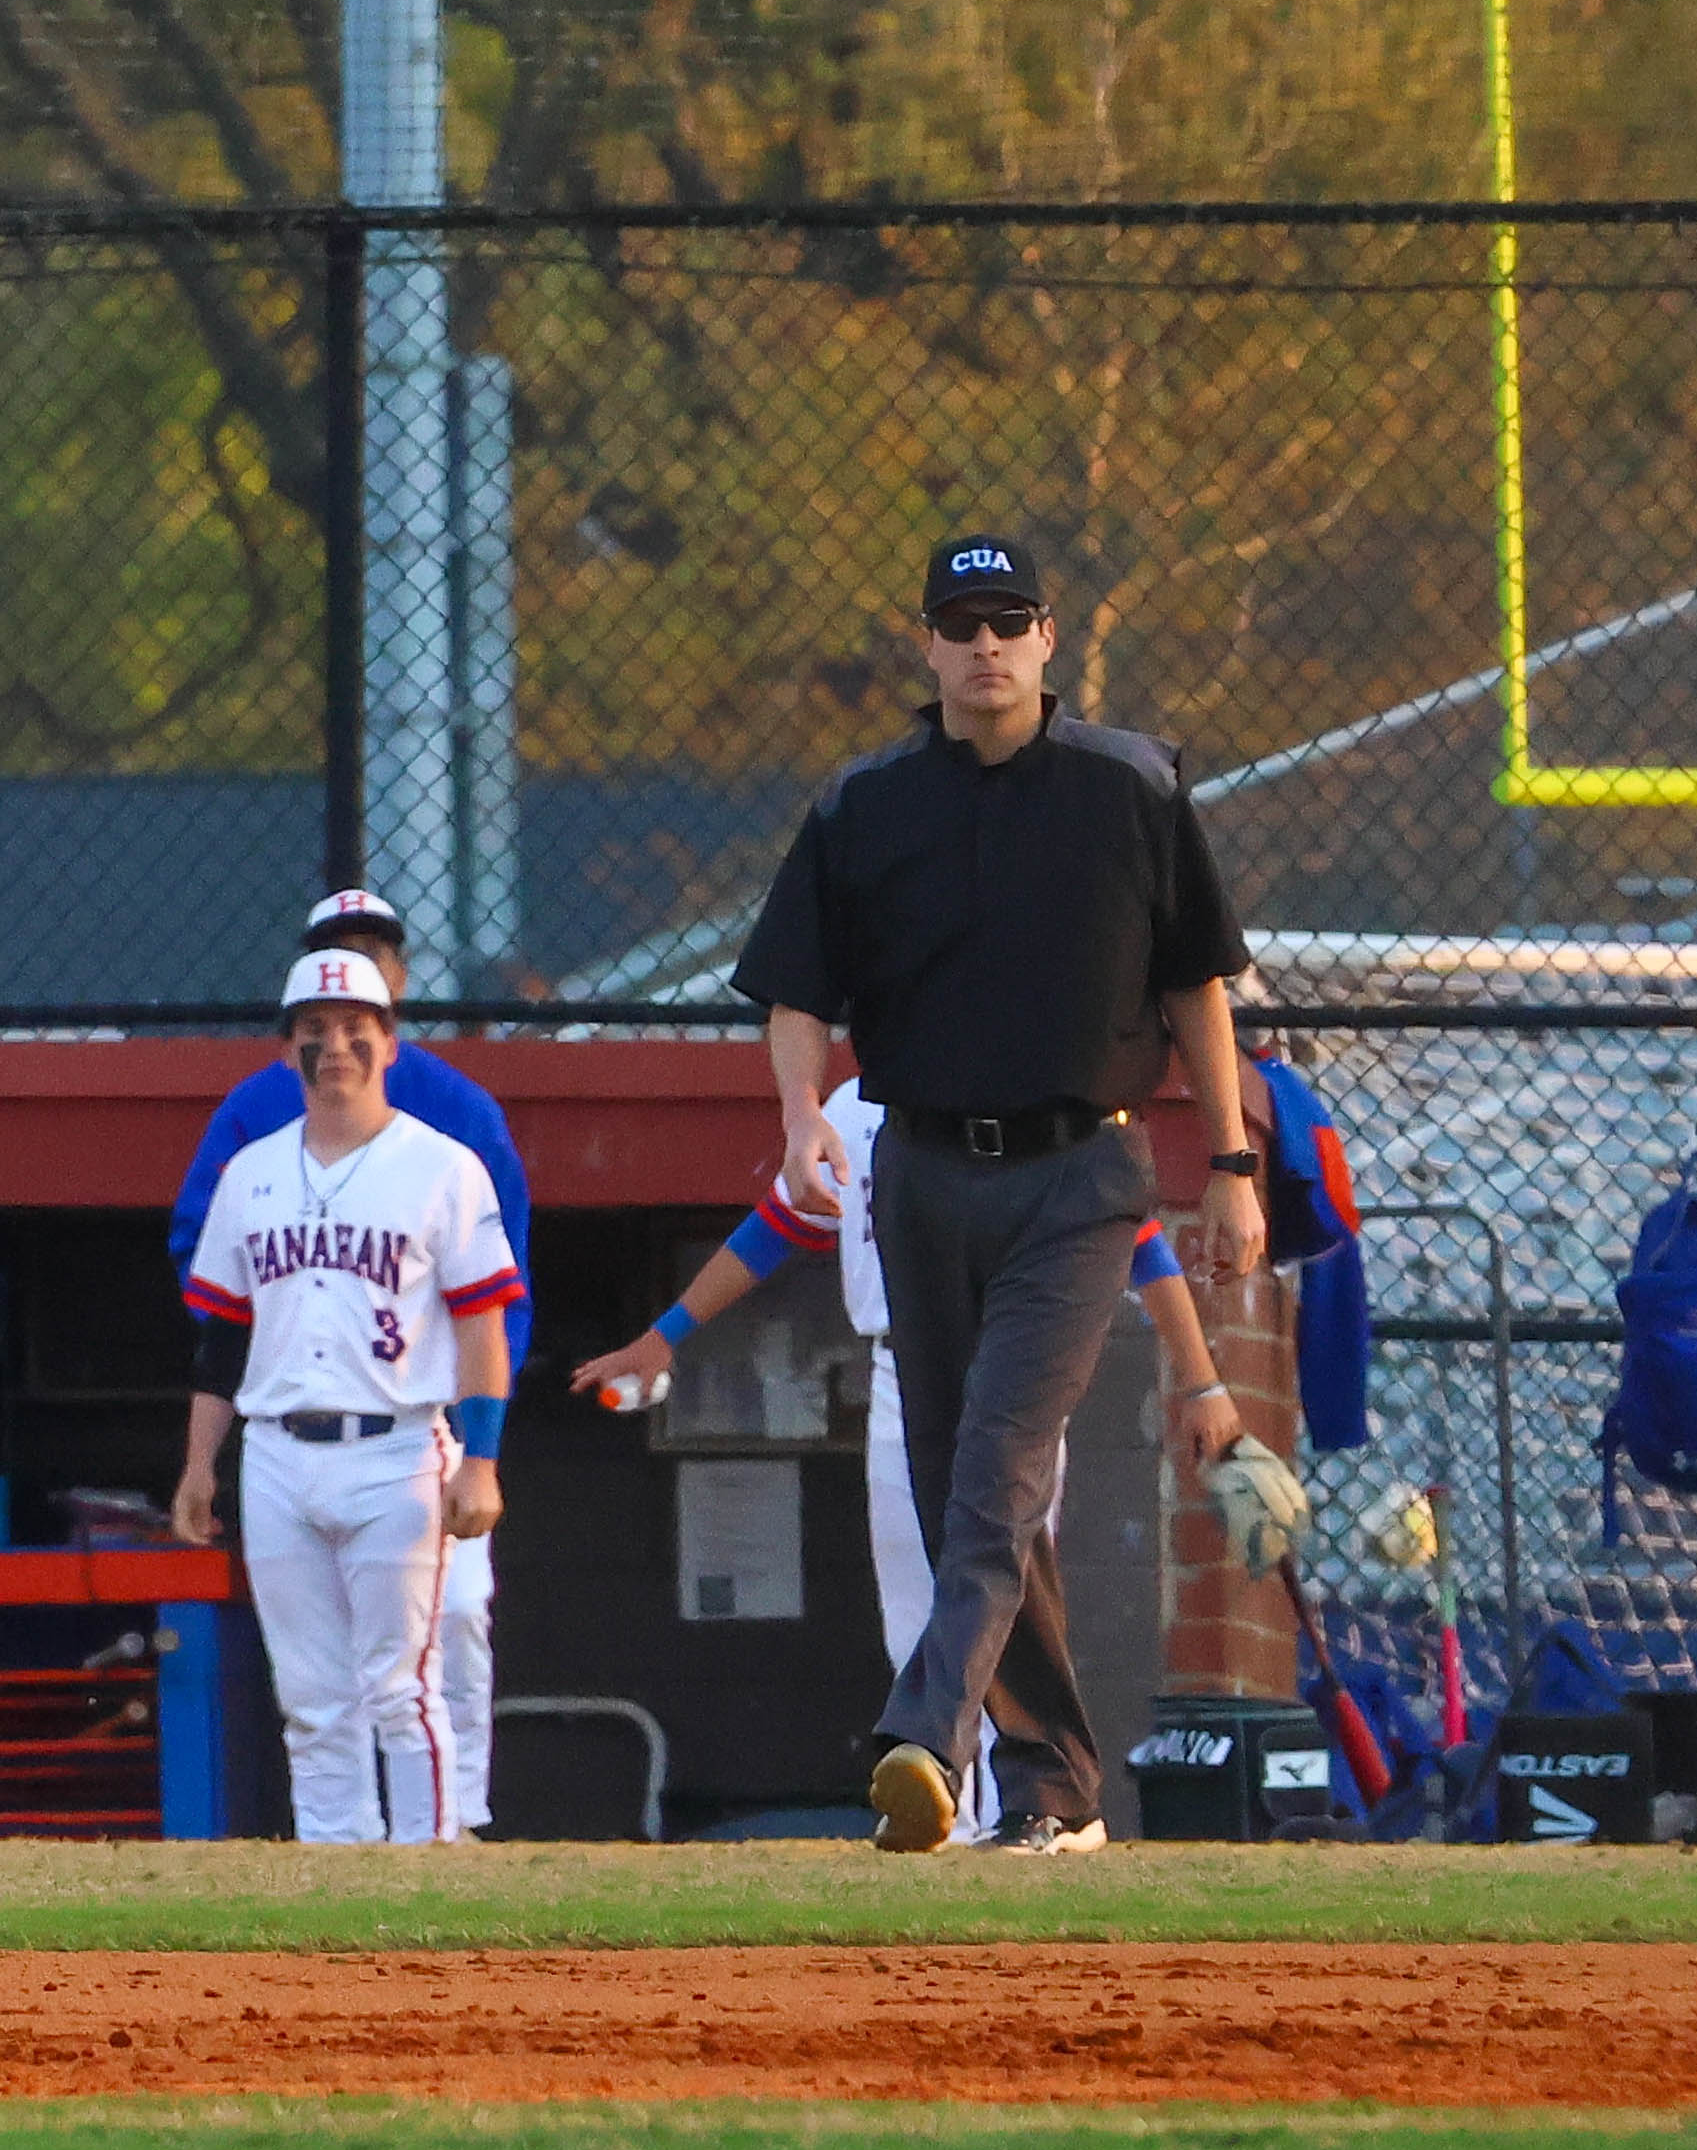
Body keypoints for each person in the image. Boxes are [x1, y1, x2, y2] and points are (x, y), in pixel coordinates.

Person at [728, 533, 1263, 1855]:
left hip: (1081, 1169)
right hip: (919, 1163)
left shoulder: (1130, 784)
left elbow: (1199, 980)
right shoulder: (868, 802)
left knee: (996, 1464)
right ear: (925, 643)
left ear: (1048, 637)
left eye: (1007, 620)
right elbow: (798, 989)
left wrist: (1234, 1164)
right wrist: (800, 1117)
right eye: (960, 623)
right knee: (958, 1473)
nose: (984, 645)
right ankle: (1058, 1789)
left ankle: (924, 1736)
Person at [570, 1076, 1249, 1838]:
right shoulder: (854, 1105)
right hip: (903, 1364)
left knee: (993, 1598)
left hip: (1017, 1359)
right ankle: (956, 1822)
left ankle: (1028, 1810)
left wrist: (1203, 1382)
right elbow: (774, 1228)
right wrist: (664, 1333)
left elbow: (1137, 1241)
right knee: (914, 1619)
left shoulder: (1020, 1084)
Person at [170, 889, 532, 1833]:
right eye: (315, 1027)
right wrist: (201, 1462)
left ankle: (428, 1875)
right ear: (289, 1042)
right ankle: (339, 1898)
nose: (335, 1045)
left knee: (400, 1689)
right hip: (280, 1451)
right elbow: (219, 1335)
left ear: (389, 1034)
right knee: (313, 1700)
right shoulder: (251, 1168)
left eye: (355, 1025)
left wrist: (482, 1456)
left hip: (397, 1447)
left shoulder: (445, 1159)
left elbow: (487, 1322)